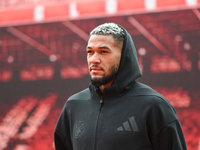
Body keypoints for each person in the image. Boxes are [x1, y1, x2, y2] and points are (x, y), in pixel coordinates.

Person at [54, 23, 187, 150]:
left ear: (124, 56)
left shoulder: (154, 106)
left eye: (103, 52)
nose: (94, 59)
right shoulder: (73, 106)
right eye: (90, 52)